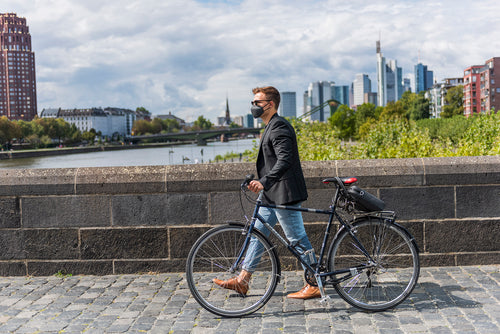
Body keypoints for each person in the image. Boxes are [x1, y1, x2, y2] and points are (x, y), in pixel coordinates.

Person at [213, 86, 321, 300]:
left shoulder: (278, 126)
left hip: (284, 193)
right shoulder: (271, 125)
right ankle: (242, 281)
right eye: (253, 102)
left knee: (296, 238)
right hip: (273, 193)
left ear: (270, 105)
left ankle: (315, 282)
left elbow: (284, 161)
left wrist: (264, 182)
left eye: (257, 103)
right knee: (257, 234)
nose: (253, 106)